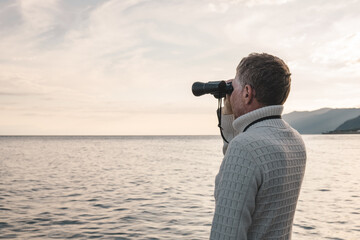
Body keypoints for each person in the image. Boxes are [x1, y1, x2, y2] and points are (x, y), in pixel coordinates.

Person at [210, 53, 307, 239]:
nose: (231, 94)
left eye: (235, 87)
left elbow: (226, 232)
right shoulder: (295, 140)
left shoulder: (245, 147)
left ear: (247, 92)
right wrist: (230, 116)